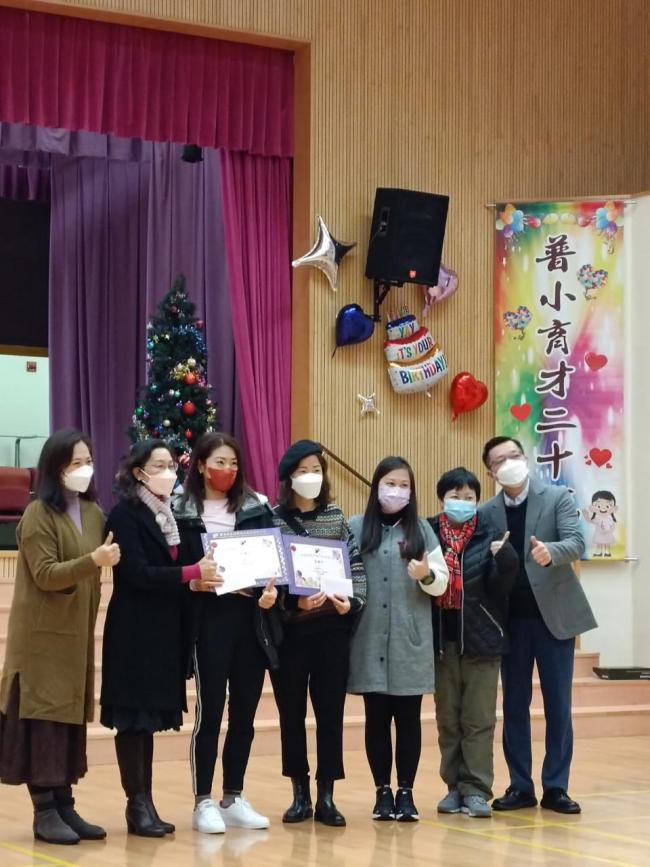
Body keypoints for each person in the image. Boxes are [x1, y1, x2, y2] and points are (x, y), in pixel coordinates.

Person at [0, 429, 120, 845]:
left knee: (67, 720)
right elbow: (46, 574)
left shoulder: (94, 513)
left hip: (75, 634)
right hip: (40, 639)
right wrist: (94, 560)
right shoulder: (38, 514)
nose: (84, 469)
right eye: (75, 463)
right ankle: (45, 810)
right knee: (43, 721)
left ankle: (65, 804)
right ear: (55, 468)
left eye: (88, 461)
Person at [100, 440, 217, 837]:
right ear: (138, 473)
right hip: (133, 631)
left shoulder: (170, 514)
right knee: (132, 720)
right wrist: (192, 573)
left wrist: (194, 581)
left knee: (147, 721)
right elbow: (136, 573)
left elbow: (178, 571)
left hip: (164, 631)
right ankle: (136, 803)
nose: (169, 471)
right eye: (159, 465)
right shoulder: (125, 514)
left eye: (171, 464)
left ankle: (146, 801)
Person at [481, 436, 596, 814]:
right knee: (514, 705)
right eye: (500, 461)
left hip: (554, 619)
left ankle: (556, 787)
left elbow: (577, 542)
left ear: (525, 458)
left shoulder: (557, 497)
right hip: (511, 622)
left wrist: (552, 551)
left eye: (514, 455)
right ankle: (520, 786)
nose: (509, 463)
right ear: (491, 472)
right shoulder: (487, 512)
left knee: (558, 705)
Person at [174, 432, 280, 834]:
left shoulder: (256, 507)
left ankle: (233, 795)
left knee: (245, 713)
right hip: (208, 621)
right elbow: (173, 571)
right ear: (201, 465)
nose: (228, 470)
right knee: (211, 712)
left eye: (234, 463)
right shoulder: (180, 511)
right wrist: (192, 582)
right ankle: (202, 800)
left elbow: (274, 566)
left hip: (250, 621)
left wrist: (271, 593)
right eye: (220, 462)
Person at [271, 439, 366, 827]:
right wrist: (294, 603)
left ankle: (327, 794)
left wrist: (351, 602)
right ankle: (300, 793)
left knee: (330, 714)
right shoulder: (273, 520)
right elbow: (268, 578)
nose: (311, 476)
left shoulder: (336, 517)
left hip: (331, 631)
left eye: (316, 470)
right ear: (288, 477)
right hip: (290, 634)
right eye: (302, 471)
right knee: (290, 714)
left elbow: (355, 567)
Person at [348, 456, 448, 823]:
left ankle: (406, 792)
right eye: (390, 483)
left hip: (410, 639)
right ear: (376, 486)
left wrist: (425, 575)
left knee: (408, 719)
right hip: (369, 638)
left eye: (404, 485)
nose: (397, 490)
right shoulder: (356, 528)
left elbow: (442, 583)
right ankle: (382, 792)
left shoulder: (422, 530)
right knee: (376, 719)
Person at [426, 467, 518, 818]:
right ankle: (453, 787)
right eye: (455, 496)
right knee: (448, 719)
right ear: (442, 498)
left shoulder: (490, 534)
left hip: (482, 640)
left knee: (479, 720)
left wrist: (505, 560)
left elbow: (501, 590)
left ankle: (477, 790)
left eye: (469, 497)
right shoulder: (427, 532)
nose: (462, 502)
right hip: (440, 641)